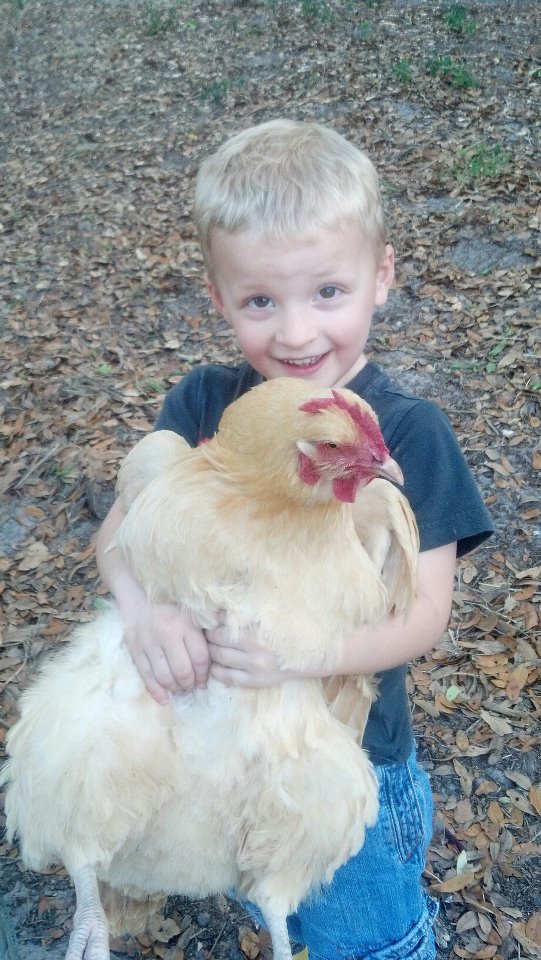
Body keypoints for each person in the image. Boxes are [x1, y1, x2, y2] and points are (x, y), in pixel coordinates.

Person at [96, 119, 494, 960]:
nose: (296, 334)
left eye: (327, 292)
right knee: (273, 905)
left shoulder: (409, 435)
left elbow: (424, 615)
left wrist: (300, 655)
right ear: (217, 298)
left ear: (380, 277)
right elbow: (118, 539)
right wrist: (142, 612)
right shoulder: (203, 406)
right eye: (260, 302)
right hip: (226, 755)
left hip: (345, 765)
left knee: (368, 940)